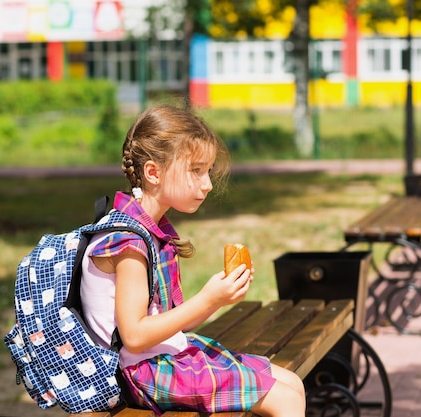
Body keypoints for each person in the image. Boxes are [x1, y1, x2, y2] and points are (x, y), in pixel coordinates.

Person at [80, 103, 306, 416]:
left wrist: (219, 299)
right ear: (153, 172)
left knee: (292, 383)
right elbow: (134, 336)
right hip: (140, 372)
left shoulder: (150, 231)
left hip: (160, 355)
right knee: (287, 401)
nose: (208, 184)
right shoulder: (129, 244)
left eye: (208, 171)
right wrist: (207, 300)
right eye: (195, 171)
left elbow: (169, 323)